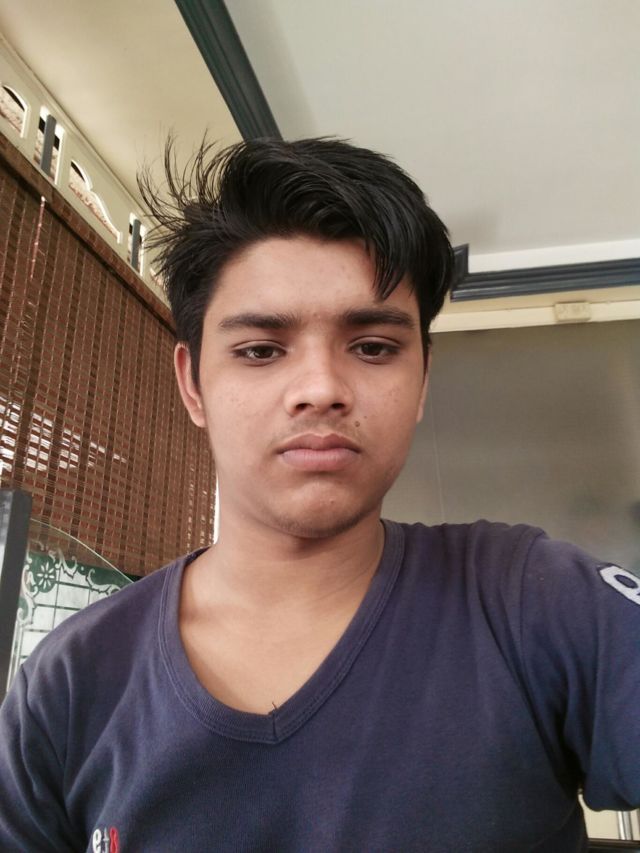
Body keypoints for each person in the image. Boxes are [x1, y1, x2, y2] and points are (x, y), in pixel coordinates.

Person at [0, 137, 638, 853]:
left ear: (422, 381)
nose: (321, 389)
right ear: (192, 383)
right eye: (260, 350)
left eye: (373, 347)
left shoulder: (533, 601)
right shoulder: (69, 684)